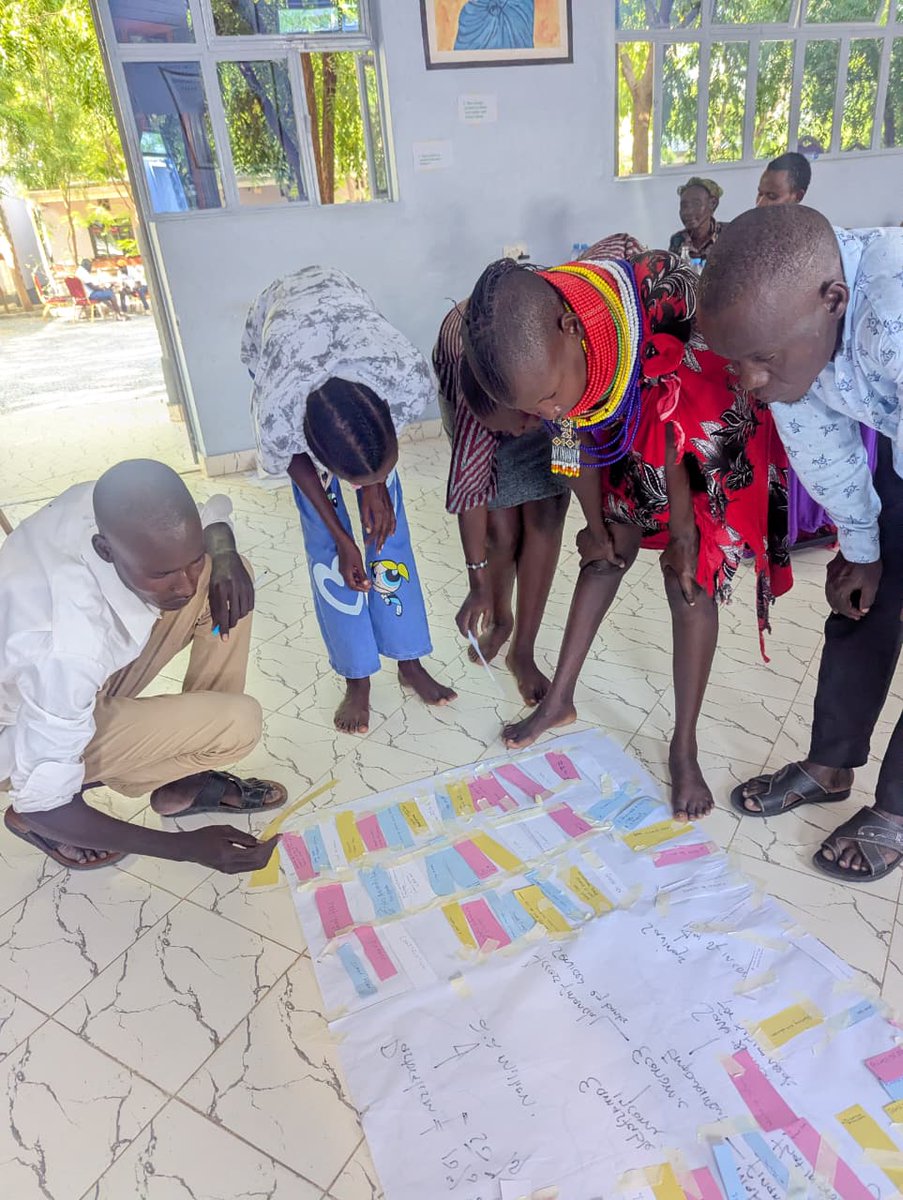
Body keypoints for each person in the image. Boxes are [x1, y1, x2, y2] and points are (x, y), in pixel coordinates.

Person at [460, 246, 792, 820]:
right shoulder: (546, 363)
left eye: (545, 398)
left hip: (705, 431)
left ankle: (684, 746)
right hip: (624, 425)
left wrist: (685, 534)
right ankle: (559, 700)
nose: (543, 411)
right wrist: (596, 525)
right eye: (531, 408)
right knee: (604, 556)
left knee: (690, 583)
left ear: (571, 329)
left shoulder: (667, 297)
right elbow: (572, 434)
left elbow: (681, 426)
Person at [698, 205, 902, 883]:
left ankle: (899, 809)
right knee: (860, 599)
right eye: (736, 362)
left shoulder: (893, 314)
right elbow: (823, 449)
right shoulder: (788, 326)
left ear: (833, 300)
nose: (749, 379)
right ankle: (831, 762)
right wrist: (862, 546)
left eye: (761, 359)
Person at [0, 459, 285, 873]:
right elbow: (44, 805)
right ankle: (73, 796)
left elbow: (208, 519)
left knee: (226, 579)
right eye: (163, 574)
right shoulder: (67, 645)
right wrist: (186, 848)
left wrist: (222, 554)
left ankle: (186, 778)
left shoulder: (102, 504)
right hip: (18, 728)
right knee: (240, 724)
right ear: (105, 550)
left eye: (191, 560)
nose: (184, 585)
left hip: (49, 682)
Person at [243, 266, 455, 736]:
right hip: (284, 330)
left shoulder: (402, 372)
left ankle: (408, 660)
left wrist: (376, 486)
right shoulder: (280, 407)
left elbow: (375, 449)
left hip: (346, 316)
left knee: (387, 531)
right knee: (329, 554)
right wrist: (342, 538)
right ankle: (356, 675)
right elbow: (294, 462)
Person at [434, 300, 570, 707]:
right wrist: (476, 584)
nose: (521, 433)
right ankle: (500, 615)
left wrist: (597, 521)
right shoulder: (474, 411)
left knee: (547, 516)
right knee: (500, 529)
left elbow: (571, 457)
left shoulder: (564, 384)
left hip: (543, 380)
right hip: (485, 380)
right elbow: (472, 491)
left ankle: (522, 649)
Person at [668, 178, 724, 266]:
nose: (688, 212)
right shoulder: (678, 240)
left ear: (713, 203)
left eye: (696, 204)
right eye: (684, 206)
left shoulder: (727, 235)